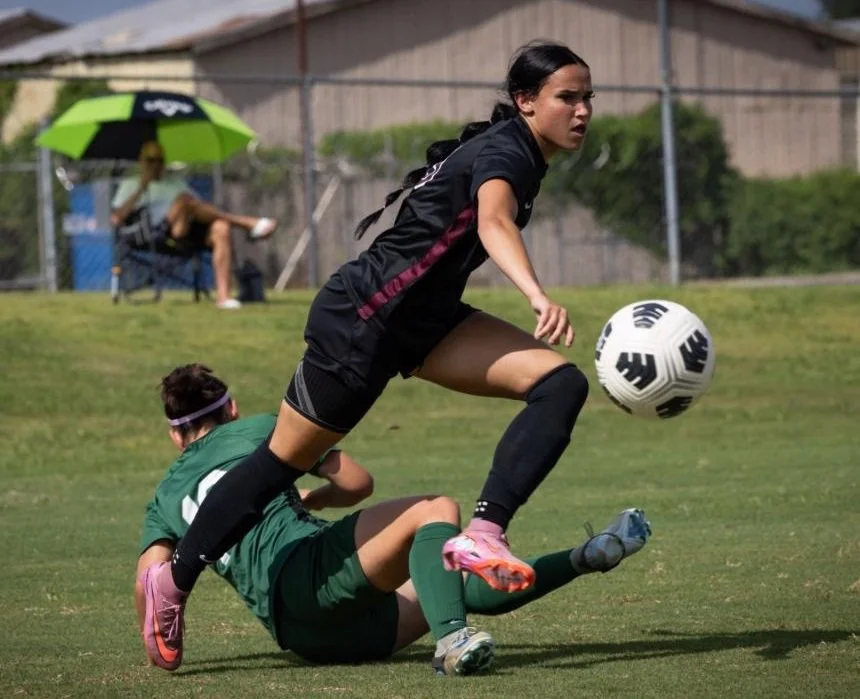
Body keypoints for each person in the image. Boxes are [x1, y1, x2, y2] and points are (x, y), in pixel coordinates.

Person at [142, 40, 599, 662]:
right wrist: (537, 295)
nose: (581, 111)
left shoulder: (517, 151)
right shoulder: (506, 152)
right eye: (566, 98)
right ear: (525, 101)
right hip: (365, 320)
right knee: (278, 463)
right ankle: (173, 581)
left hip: (425, 321)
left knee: (559, 384)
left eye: (586, 98)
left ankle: (484, 534)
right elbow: (495, 223)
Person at [137, 364, 652, 673]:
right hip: (309, 573)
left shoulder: (162, 496)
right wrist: (310, 500)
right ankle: (453, 640)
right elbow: (358, 483)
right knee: (436, 510)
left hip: (305, 636)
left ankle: (587, 556)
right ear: (230, 411)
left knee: (442, 582)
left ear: (175, 437)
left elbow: (149, 586)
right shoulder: (258, 429)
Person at [111, 141, 279, 309]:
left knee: (221, 227)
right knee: (184, 200)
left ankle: (223, 297)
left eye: (160, 160)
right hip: (156, 233)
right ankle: (247, 223)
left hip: (187, 229)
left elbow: (198, 206)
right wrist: (142, 187)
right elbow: (117, 218)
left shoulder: (175, 183)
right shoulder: (130, 185)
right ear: (141, 161)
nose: (155, 165)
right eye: (150, 160)